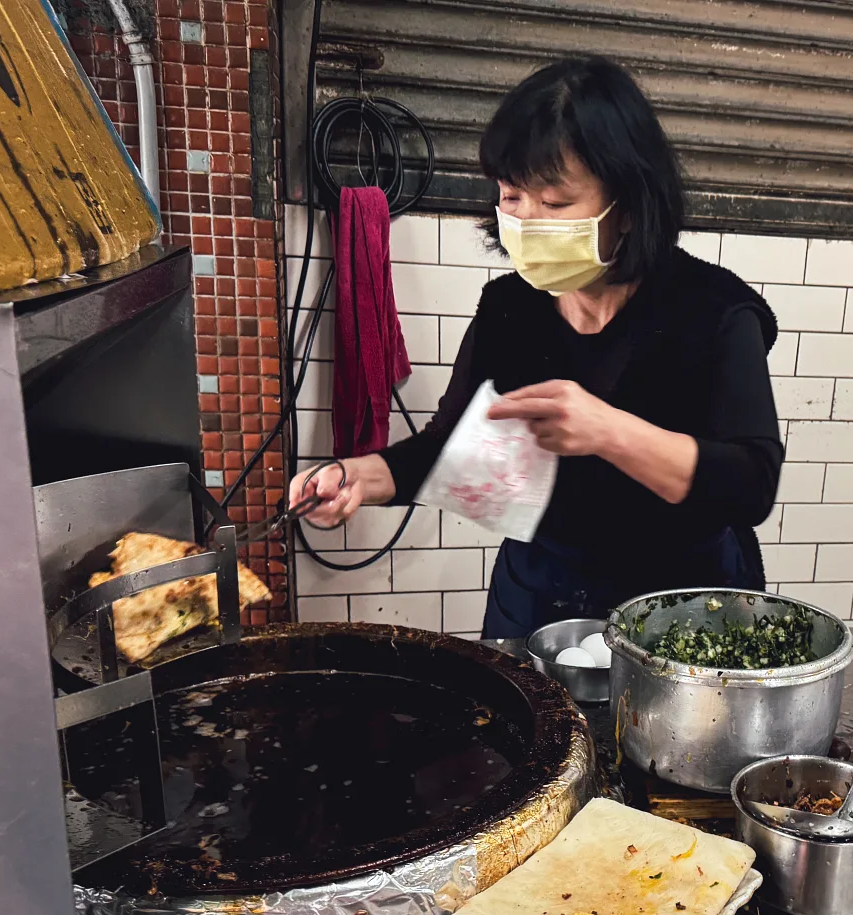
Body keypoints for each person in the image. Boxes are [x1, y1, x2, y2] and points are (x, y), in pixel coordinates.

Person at [293, 57, 783, 638]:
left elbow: (750, 484)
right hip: (538, 596)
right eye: (511, 197)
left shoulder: (715, 312)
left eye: (554, 205)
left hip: (682, 608)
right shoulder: (510, 309)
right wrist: (355, 477)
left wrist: (608, 431)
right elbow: (450, 449)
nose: (525, 221)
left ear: (625, 207)